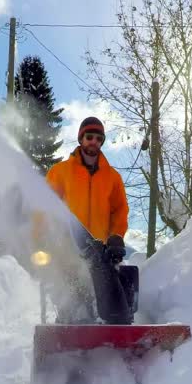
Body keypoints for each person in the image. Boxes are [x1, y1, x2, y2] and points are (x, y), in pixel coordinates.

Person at [40, 117, 134, 324]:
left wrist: (117, 237)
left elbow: (120, 211)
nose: (93, 141)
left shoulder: (112, 177)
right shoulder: (60, 172)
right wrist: (42, 236)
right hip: (68, 250)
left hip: (101, 254)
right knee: (73, 308)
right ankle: (67, 347)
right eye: (89, 137)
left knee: (111, 307)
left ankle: (112, 343)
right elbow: (45, 208)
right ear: (81, 138)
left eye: (98, 138)